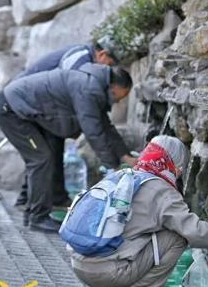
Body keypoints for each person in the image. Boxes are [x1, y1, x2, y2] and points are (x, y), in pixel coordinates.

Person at [70, 135, 208, 287]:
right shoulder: (162, 189)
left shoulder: (123, 176)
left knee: (134, 232)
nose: (180, 172)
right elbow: (195, 232)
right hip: (107, 274)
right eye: (180, 166)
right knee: (178, 237)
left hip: (80, 267)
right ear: (173, 164)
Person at [0, 63, 136, 233]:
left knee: (45, 157)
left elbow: (105, 125)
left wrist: (126, 156)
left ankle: (33, 213)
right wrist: (112, 166)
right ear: (114, 87)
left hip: (21, 109)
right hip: (11, 110)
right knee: (41, 159)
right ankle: (38, 218)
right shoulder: (88, 89)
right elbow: (93, 132)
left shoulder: (93, 85)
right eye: (121, 96)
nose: (119, 101)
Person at [12, 36, 125, 209]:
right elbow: (76, 102)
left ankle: (48, 198)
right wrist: (111, 164)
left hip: (41, 104)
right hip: (28, 101)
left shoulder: (88, 63)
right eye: (109, 64)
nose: (108, 71)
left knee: (46, 153)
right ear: (102, 54)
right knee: (44, 154)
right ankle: (35, 200)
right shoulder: (80, 60)